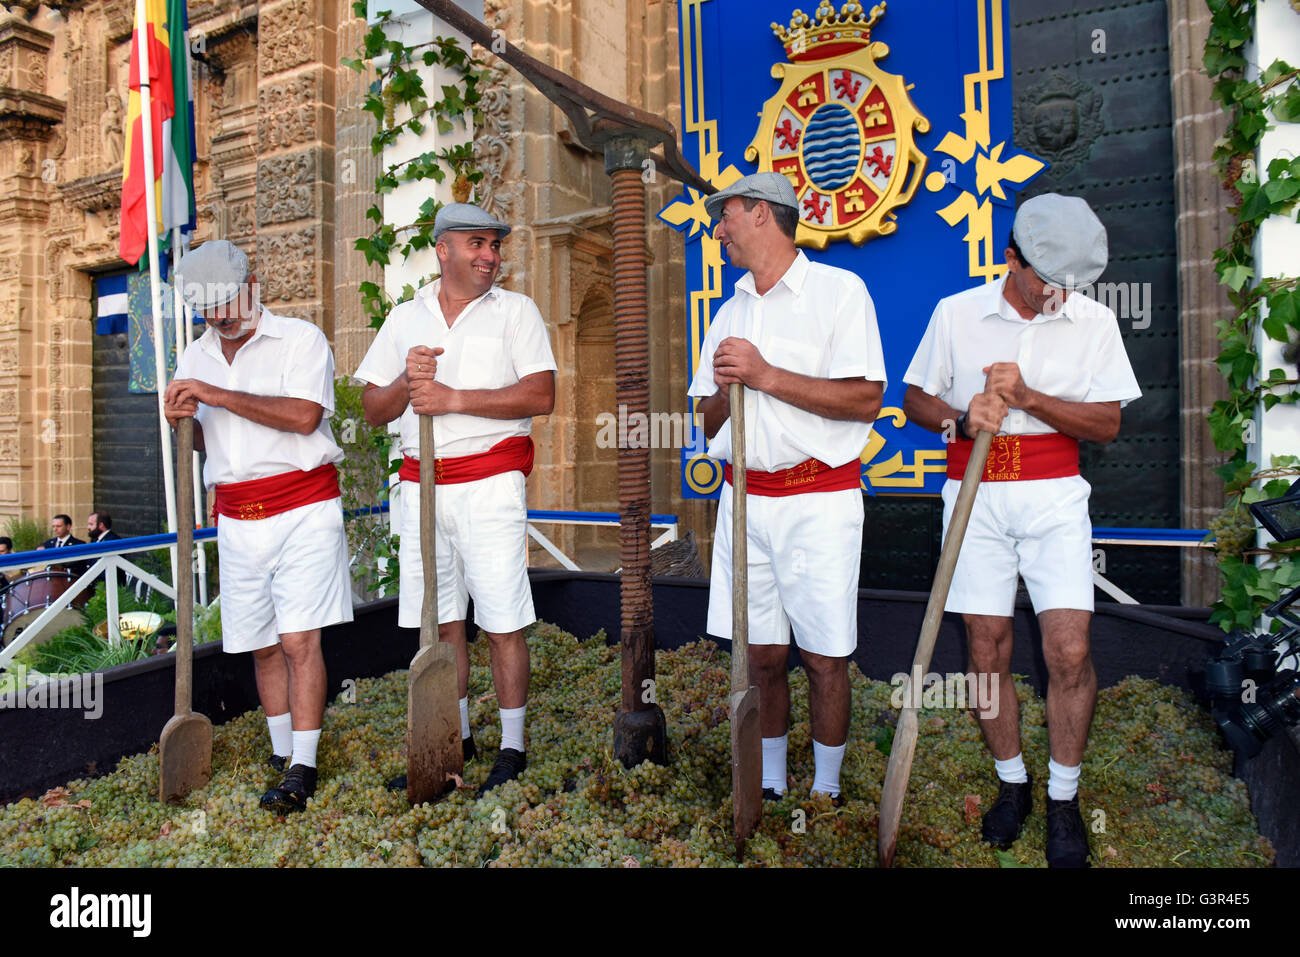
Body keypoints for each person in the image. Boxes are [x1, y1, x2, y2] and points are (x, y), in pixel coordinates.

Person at [901, 193, 1141, 867]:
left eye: (1069, 283)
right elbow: (914, 398)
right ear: (1011, 259)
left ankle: (1065, 799)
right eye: (1046, 281)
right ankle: (1014, 784)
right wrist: (961, 416)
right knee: (986, 645)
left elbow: (1108, 425)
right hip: (974, 496)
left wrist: (1031, 397)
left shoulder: (1091, 320)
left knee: (1068, 648)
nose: (1059, 294)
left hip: (1054, 496)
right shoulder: (956, 313)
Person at [687, 172, 886, 805]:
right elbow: (705, 420)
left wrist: (766, 374)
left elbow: (865, 400)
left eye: (727, 216)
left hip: (818, 502)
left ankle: (825, 790)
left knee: (825, 656)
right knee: (762, 654)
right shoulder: (729, 311)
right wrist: (726, 390)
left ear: (763, 216)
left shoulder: (839, 293)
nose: (718, 230)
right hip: (746, 504)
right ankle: (772, 781)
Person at [355, 202, 556, 798]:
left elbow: (539, 395)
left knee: (501, 621)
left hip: (491, 485)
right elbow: (372, 410)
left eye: (494, 244)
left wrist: (451, 397)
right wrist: (406, 381)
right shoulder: (405, 316)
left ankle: (513, 747)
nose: (490, 256)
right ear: (442, 249)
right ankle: (456, 740)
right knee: (443, 624)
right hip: (421, 488)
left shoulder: (516, 312)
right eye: (477, 244)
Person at [164, 239, 354, 814]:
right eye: (206, 309)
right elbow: (203, 441)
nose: (218, 317)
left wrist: (214, 395)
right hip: (237, 515)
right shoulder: (195, 356)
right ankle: (281, 754)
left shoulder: (299, 338)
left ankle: (305, 764)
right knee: (263, 645)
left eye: (226, 302)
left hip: (303, 508)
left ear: (252, 285)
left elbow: (304, 416)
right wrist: (184, 422)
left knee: (299, 640)